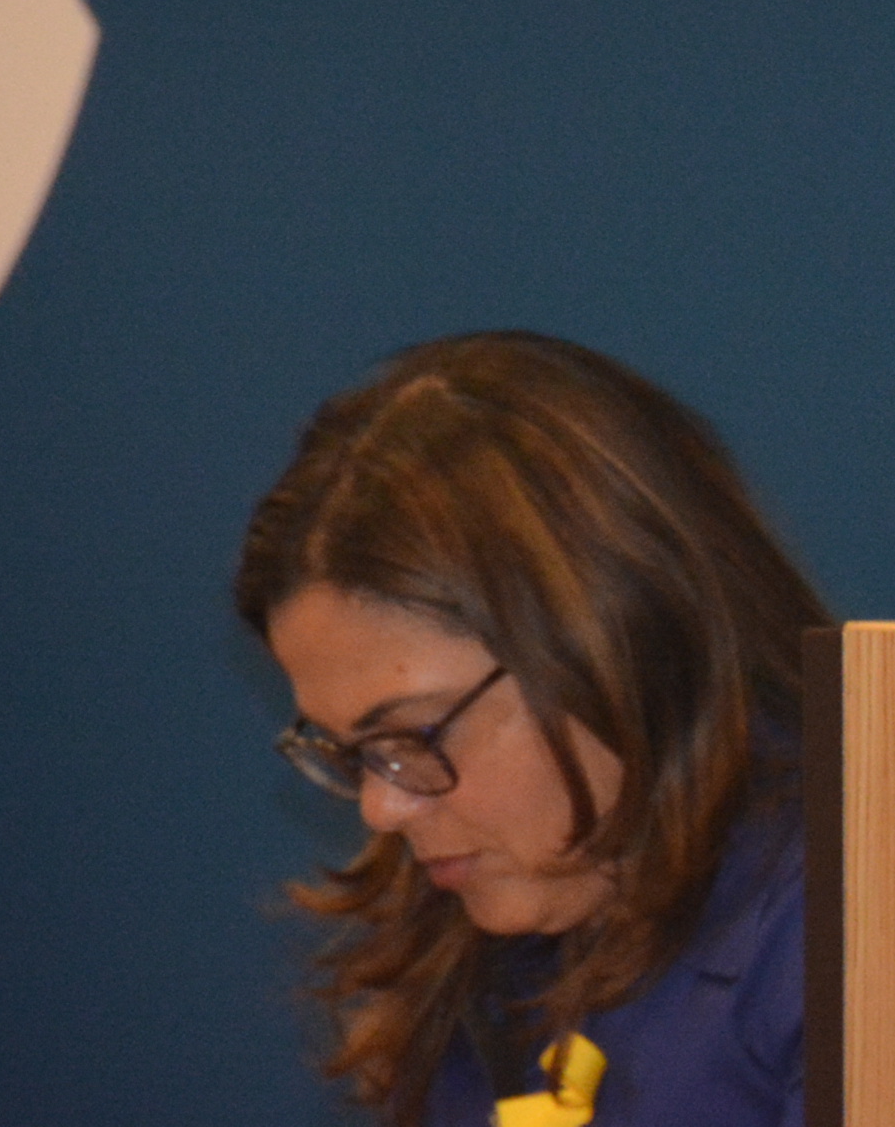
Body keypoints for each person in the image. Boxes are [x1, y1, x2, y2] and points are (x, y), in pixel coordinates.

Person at [240, 331, 827, 1127]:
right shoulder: (475, 932)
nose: (382, 808)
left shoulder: (859, 923)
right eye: (352, 755)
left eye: (415, 736)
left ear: (618, 648)